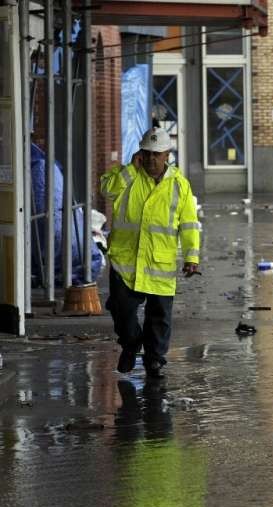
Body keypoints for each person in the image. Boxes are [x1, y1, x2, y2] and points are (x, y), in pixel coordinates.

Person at [101, 127, 201, 378]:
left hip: (159, 262)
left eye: (157, 154)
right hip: (126, 261)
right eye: (147, 153)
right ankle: (131, 344)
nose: (151, 159)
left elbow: (189, 223)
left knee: (159, 318)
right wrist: (129, 169)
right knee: (121, 311)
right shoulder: (129, 177)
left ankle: (154, 360)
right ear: (140, 154)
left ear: (167, 155)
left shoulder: (180, 185)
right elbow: (106, 189)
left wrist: (191, 257)